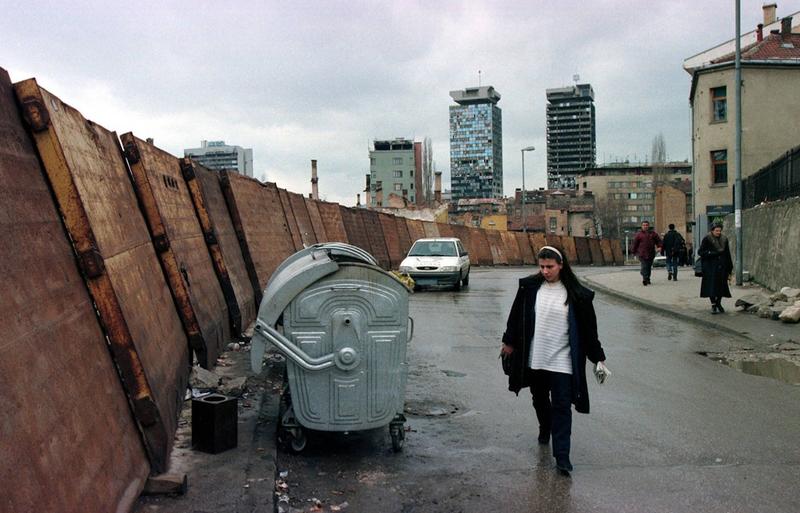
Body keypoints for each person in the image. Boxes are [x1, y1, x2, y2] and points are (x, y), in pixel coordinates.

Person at [501, 246, 607, 476]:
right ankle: (544, 426)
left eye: (550, 267)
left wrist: (598, 357)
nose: (545, 271)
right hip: (536, 356)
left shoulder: (577, 294)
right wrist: (508, 343)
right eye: (542, 267)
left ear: (561, 265)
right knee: (539, 399)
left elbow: (589, 331)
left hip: (563, 361)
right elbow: (516, 317)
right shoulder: (529, 288)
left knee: (561, 406)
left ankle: (562, 457)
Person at [698, 223, 733, 314]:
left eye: (719, 230)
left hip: (722, 266)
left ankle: (718, 303)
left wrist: (730, 267)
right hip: (710, 267)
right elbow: (701, 252)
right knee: (712, 287)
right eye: (716, 230)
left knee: (721, 286)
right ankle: (713, 304)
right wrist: (713, 253)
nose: (718, 232)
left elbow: (727, 253)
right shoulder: (707, 239)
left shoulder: (724, 239)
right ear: (712, 230)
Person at [631, 220, 661, 286]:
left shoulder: (653, 234)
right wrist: (633, 252)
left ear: (648, 226)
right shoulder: (638, 234)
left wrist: (659, 247)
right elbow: (634, 244)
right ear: (642, 226)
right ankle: (645, 279)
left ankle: (647, 278)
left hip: (651, 253)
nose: (645, 226)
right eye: (644, 225)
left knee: (648, 267)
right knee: (644, 266)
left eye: (646, 225)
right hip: (642, 253)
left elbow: (659, 241)